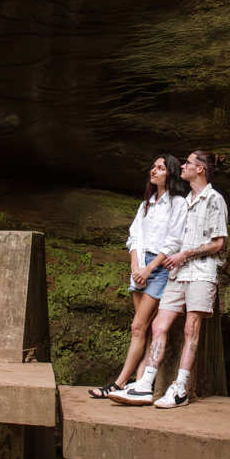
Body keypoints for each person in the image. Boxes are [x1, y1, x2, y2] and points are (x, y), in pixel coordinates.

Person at [109, 150, 227, 409]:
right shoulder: (185, 200)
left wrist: (184, 254)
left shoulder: (215, 200)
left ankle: (180, 388)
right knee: (158, 327)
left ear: (200, 170)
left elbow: (218, 243)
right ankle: (143, 384)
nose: (182, 165)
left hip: (201, 271)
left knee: (190, 329)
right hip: (178, 272)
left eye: (187, 163)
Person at [87, 154, 188, 399]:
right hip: (140, 267)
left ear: (170, 174)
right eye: (153, 167)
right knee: (144, 330)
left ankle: (120, 384)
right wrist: (136, 266)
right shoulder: (146, 204)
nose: (153, 171)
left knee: (137, 326)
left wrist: (149, 268)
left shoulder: (178, 204)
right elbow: (133, 237)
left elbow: (174, 242)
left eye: (160, 168)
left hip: (159, 269)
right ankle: (141, 385)